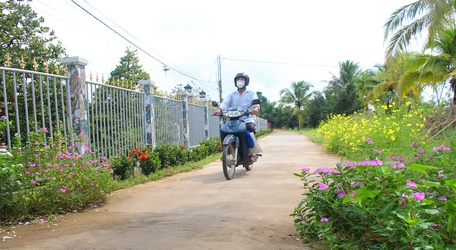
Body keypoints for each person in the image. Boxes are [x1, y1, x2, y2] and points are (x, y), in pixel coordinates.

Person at [213, 72, 261, 162]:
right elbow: (225, 103)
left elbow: (256, 102)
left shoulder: (251, 93)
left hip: (247, 118)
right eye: (238, 79)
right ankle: (225, 152)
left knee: (250, 128)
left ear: (246, 82)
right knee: (224, 130)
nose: (240, 81)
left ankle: (252, 152)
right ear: (235, 82)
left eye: (242, 79)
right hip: (234, 118)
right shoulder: (232, 94)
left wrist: (255, 108)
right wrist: (219, 110)